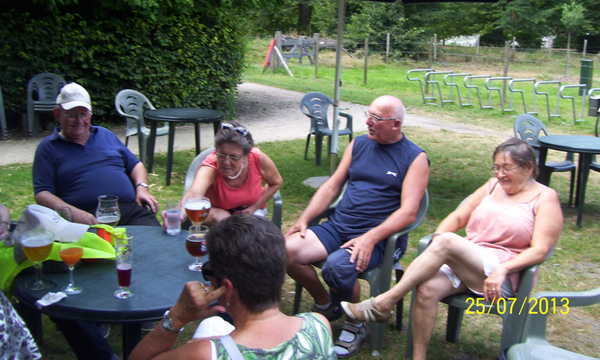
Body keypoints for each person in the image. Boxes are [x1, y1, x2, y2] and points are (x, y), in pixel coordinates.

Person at [341, 138, 563, 360]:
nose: (499, 174)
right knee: (427, 287)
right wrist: (438, 241)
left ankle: (386, 301)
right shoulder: (492, 186)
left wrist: (503, 269)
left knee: (447, 242)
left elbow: (540, 250)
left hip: (502, 276)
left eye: (506, 168)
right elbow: (457, 217)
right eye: (496, 167)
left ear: (529, 168)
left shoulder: (544, 197)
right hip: (468, 264)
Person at [285, 95, 429, 357]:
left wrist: (370, 238)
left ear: (396, 124)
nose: (368, 122)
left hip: (380, 239)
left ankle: (356, 323)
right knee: (284, 250)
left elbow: (409, 212)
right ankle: (326, 302)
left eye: (376, 118)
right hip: (339, 226)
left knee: (338, 268)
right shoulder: (359, 144)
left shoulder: (415, 158)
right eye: (369, 114)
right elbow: (331, 186)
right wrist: (304, 218)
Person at [129, 215, 337, 360]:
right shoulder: (319, 326)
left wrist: (178, 316)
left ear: (226, 288)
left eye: (210, 272)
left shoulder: (205, 354)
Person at [32, 82, 160, 227]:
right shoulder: (48, 148)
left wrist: (142, 188)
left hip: (129, 211)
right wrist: (73, 213)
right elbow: (43, 194)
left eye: (84, 114)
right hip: (84, 218)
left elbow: (136, 165)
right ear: (57, 114)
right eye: (72, 115)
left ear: (91, 112)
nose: (79, 121)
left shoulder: (105, 134)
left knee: (157, 244)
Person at [180, 121, 283, 226]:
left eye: (233, 157)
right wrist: (181, 211)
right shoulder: (210, 166)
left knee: (248, 229)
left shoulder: (257, 158)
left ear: (246, 156)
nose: (226, 162)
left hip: (250, 211)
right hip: (216, 211)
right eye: (221, 155)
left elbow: (276, 182)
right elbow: (195, 192)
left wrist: (254, 207)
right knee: (223, 221)